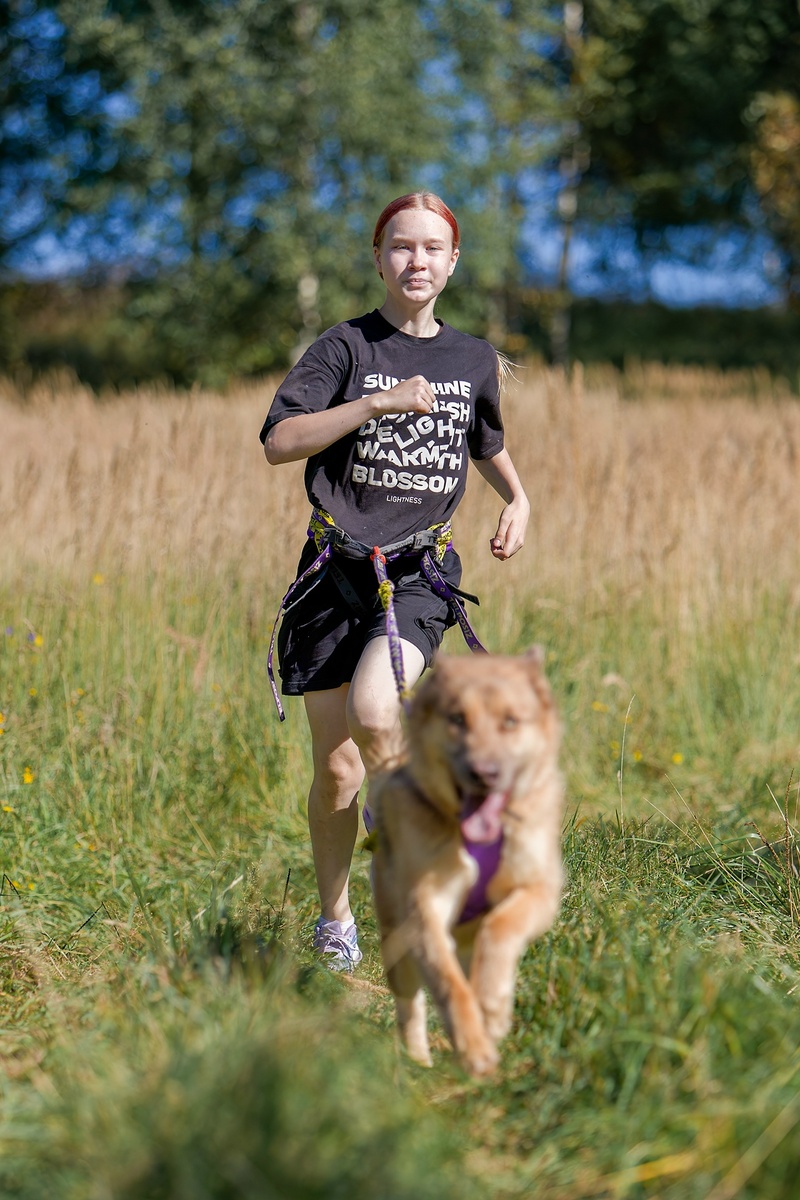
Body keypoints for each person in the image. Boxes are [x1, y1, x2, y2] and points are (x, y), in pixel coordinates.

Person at [260, 191, 530, 970]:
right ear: (379, 259)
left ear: (452, 262)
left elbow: (484, 440)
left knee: (379, 710)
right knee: (337, 769)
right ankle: (337, 922)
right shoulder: (345, 347)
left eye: (432, 248)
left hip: (415, 573)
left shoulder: (471, 358)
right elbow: (280, 440)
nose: (417, 260)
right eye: (402, 246)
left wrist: (519, 499)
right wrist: (374, 404)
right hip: (330, 577)